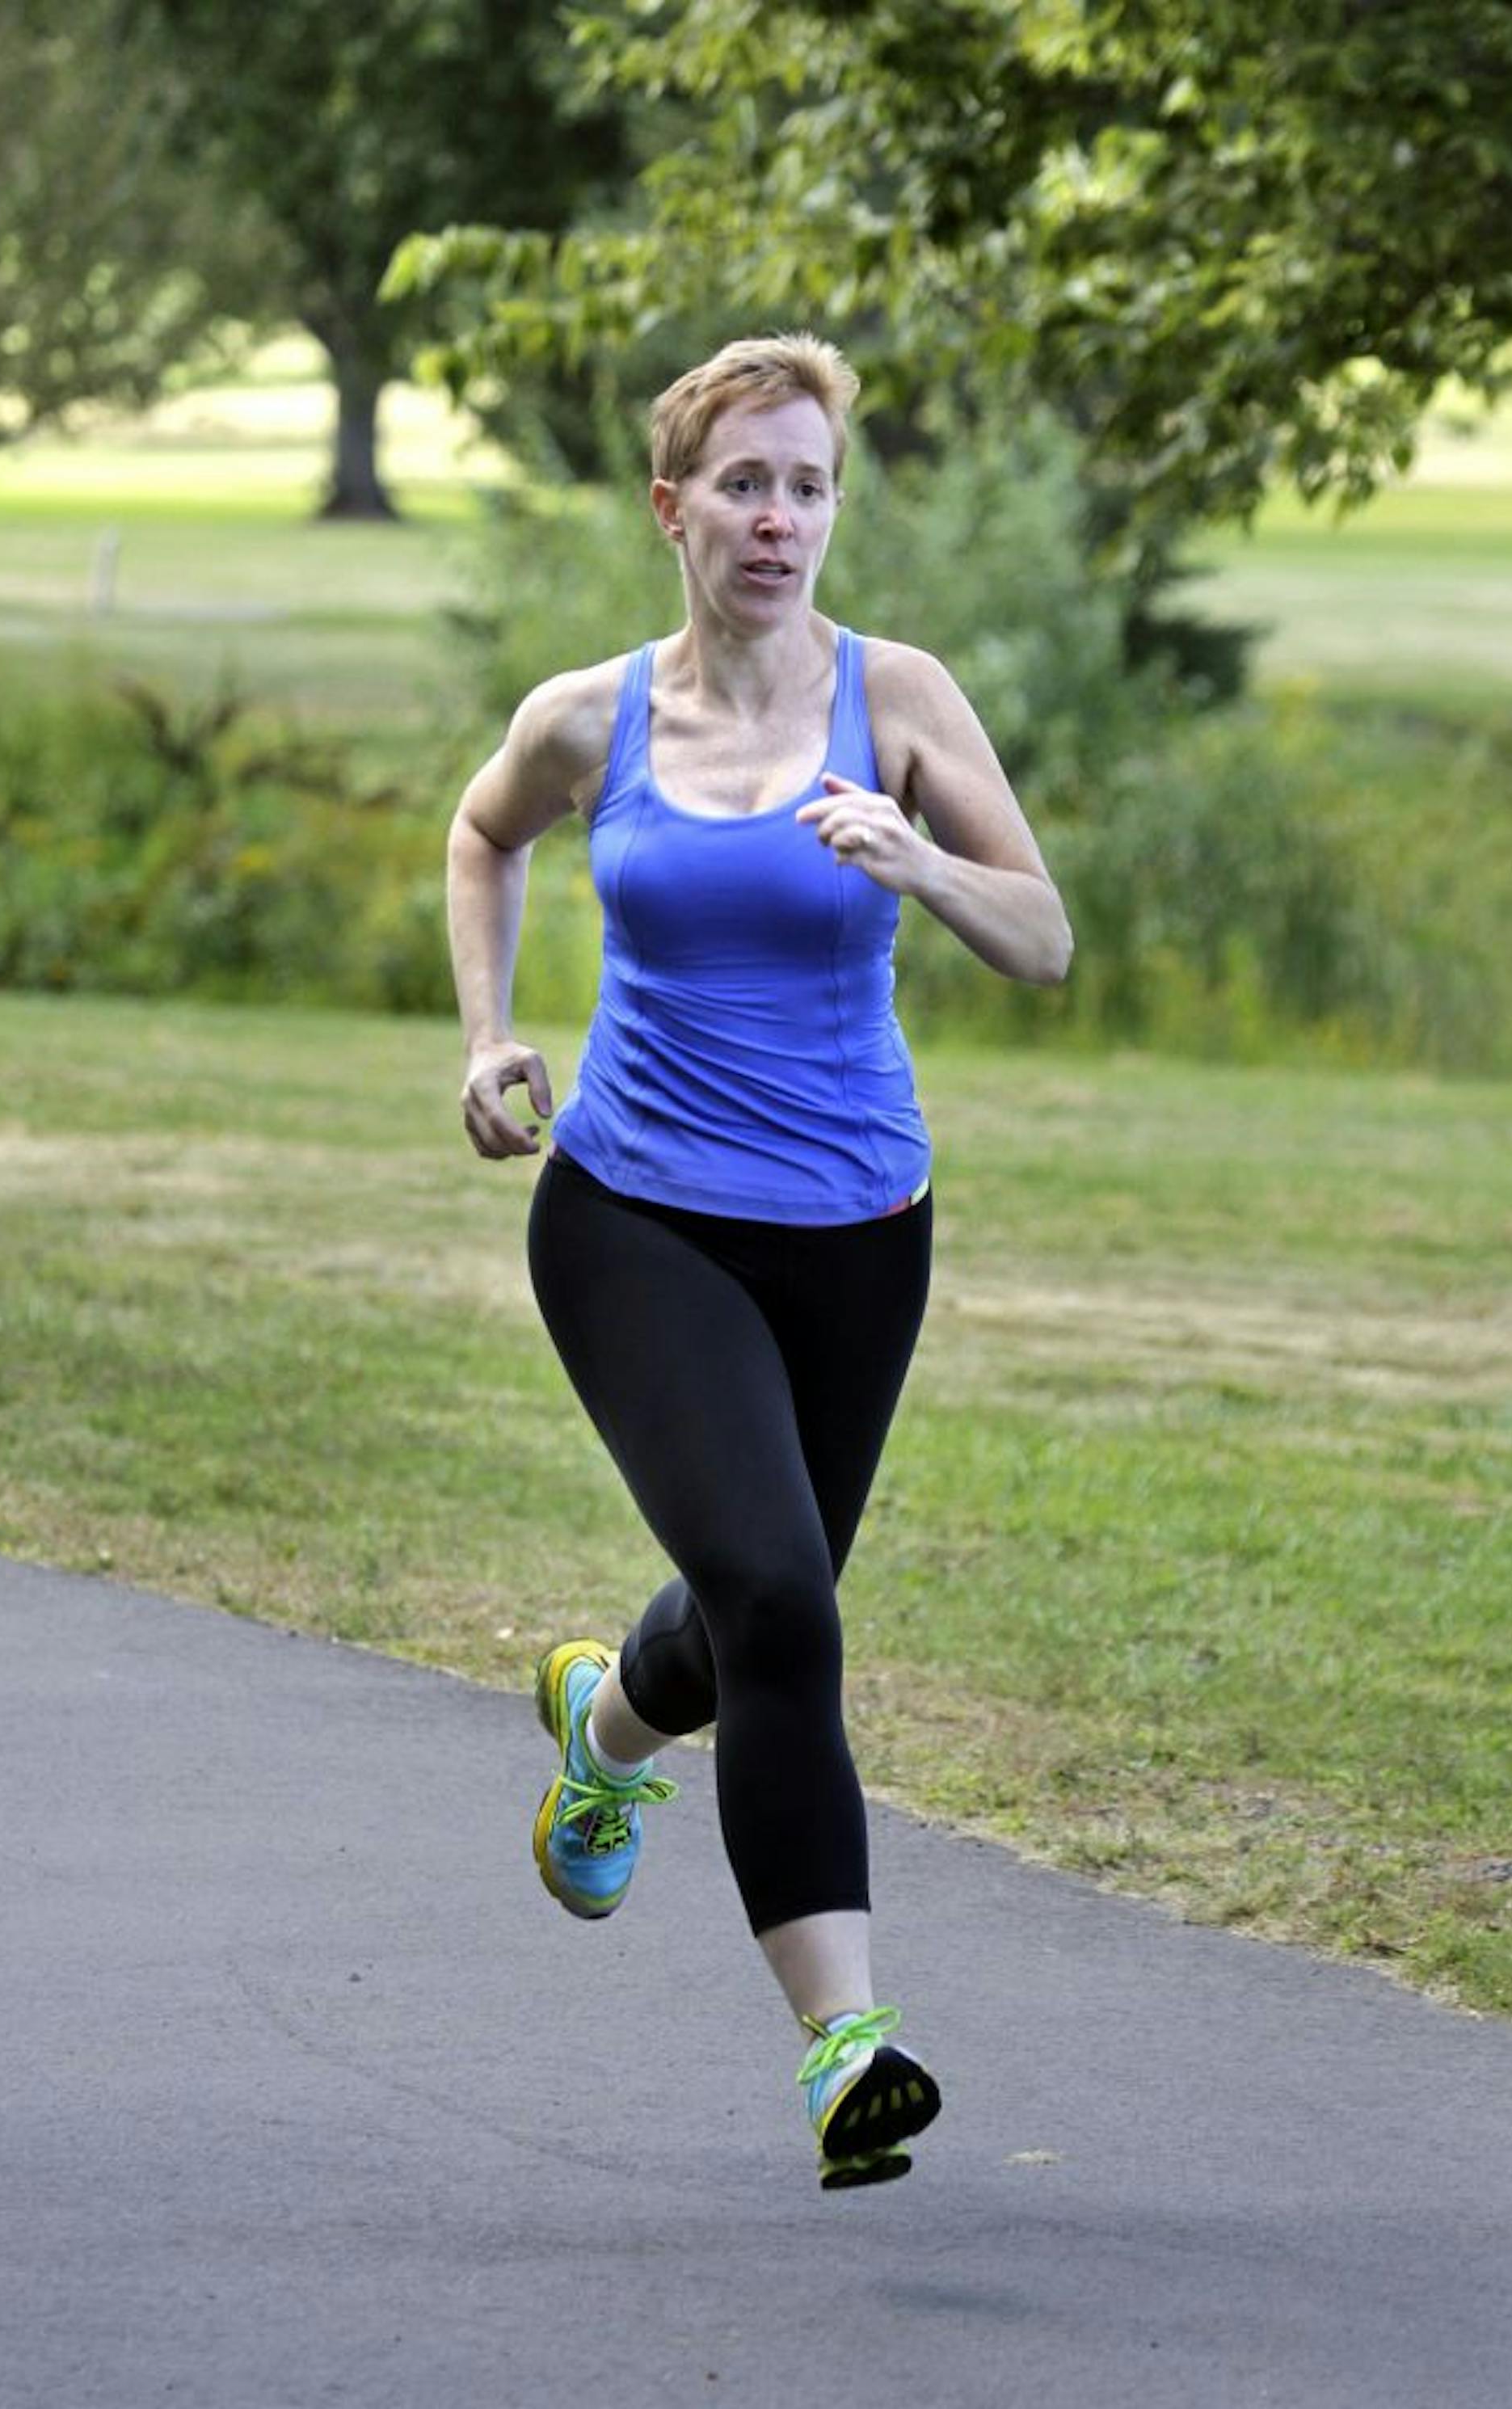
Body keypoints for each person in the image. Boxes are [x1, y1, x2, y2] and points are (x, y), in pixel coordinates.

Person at [447, 333, 1072, 2190]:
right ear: (675, 508)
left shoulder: (903, 699)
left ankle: (604, 1724)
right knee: (788, 1606)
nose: (782, 517)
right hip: (634, 1217)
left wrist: (920, 865)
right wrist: (485, 1036)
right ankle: (844, 2047)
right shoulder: (594, 716)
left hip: (863, 1235)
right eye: (747, 482)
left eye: (810, 484)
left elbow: (1042, 940)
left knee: (748, 1619)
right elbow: (485, 836)